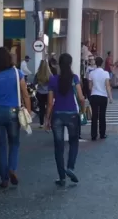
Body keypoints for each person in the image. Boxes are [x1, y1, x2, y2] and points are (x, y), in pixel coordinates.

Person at [0, 47, 32, 188]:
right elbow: (25, 94)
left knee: (0, 146)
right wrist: (28, 112)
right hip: (13, 111)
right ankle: (12, 168)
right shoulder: (18, 73)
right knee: (14, 143)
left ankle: (4, 179)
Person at [45, 53, 86, 186]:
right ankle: (70, 167)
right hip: (72, 114)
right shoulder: (74, 78)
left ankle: (62, 177)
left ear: (59, 64)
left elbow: (50, 102)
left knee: (58, 146)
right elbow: (81, 98)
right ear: (70, 63)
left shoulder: (53, 79)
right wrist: (83, 110)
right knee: (74, 142)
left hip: (57, 115)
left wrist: (47, 119)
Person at [89, 56, 113, 141]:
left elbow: (90, 86)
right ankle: (102, 134)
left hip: (94, 95)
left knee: (94, 116)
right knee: (102, 115)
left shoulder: (91, 73)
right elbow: (107, 86)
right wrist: (110, 97)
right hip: (103, 96)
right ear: (102, 63)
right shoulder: (105, 73)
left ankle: (93, 135)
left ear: (95, 63)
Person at [34, 60, 52, 128]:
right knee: (49, 108)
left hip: (40, 93)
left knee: (41, 109)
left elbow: (34, 83)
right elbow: (52, 83)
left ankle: (41, 123)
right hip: (48, 93)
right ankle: (48, 122)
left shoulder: (38, 74)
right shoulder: (49, 74)